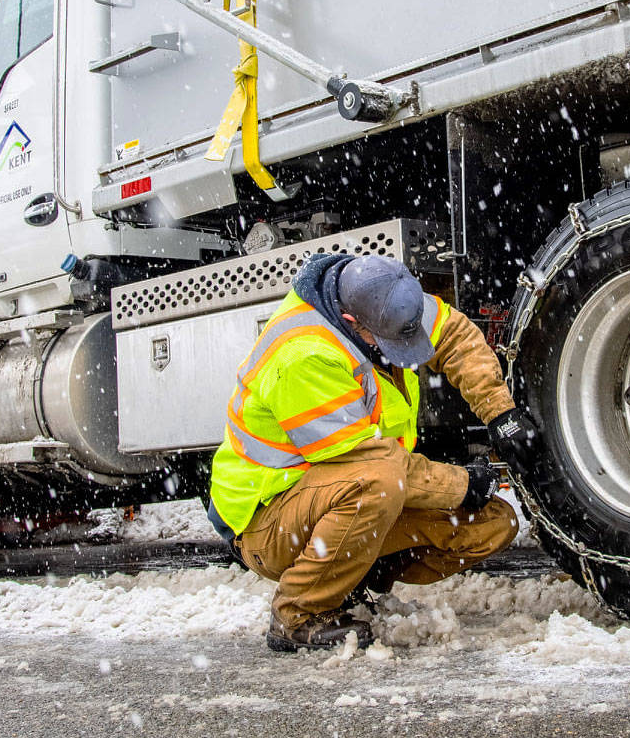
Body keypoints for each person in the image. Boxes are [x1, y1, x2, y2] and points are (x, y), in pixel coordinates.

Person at [208, 251, 542, 652]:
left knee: (492, 524)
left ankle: (348, 577)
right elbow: (373, 464)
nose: (405, 348)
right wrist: (464, 483)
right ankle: (297, 613)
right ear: (352, 322)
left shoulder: (384, 299)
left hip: (342, 497)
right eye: (389, 341)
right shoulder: (304, 355)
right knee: (378, 483)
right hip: (268, 520)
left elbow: (454, 335)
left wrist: (500, 414)